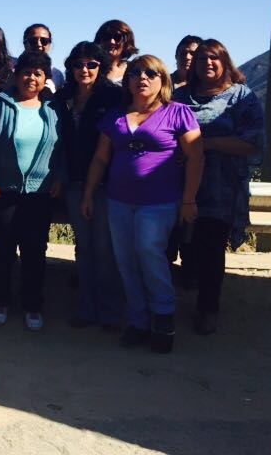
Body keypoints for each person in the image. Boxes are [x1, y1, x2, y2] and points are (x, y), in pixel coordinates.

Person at [82, 55, 203, 353]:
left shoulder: (179, 113)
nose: (142, 78)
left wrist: (188, 199)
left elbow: (196, 156)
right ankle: (138, 321)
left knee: (149, 252)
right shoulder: (116, 116)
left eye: (151, 73)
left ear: (163, 80)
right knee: (125, 259)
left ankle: (163, 318)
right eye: (135, 73)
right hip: (119, 200)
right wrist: (88, 193)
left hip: (159, 202)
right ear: (128, 81)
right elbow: (100, 158)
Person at [174, 39, 264, 335]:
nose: (207, 63)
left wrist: (204, 145)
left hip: (221, 187)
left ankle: (207, 309)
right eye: (201, 59)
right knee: (173, 244)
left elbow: (252, 142)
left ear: (225, 61)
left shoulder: (241, 97)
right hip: (175, 183)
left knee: (211, 248)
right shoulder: (180, 96)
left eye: (214, 58)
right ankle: (165, 302)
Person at [0, 51, 63, 331]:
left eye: (38, 73)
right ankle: (0, 299)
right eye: (27, 72)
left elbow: (62, 148)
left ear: (45, 79)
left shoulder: (53, 109)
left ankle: (32, 304)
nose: (32, 78)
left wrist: (60, 177)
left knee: (35, 249)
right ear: (17, 74)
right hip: (5, 189)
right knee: (2, 247)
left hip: (40, 191)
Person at [55, 42, 123, 329]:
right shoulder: (64, 97)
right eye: (79, 64)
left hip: (107, 183)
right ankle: (86, 308)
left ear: (101, 67)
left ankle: (109, 312)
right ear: (71, 67)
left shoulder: (115, 97)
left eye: (92, 64)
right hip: (73, 182)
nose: (85, 69)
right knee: (84, 246)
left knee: (105, 247)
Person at [21, 24, 64, 93]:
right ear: (25, 43)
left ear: (49, 44)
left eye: (44, 41)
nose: (39, 44)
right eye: (33, 40)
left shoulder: (57, 75)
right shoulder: (10, 69)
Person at [94, 20, 138, 85]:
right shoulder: (90, 68)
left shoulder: (134, 71)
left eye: (117, 37)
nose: (112, 42)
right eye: (107, 37)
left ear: (127, 42)